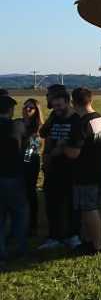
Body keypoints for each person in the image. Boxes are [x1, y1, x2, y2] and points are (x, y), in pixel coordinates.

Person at [56, 88, 101, 255]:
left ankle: (97, 246)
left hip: (86, 175)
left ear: (73, 103)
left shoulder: (81, 124)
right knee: (93, 208)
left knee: (89, 209)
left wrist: (62, 146)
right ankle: (89, 241)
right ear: (91, 100)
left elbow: (73, 153)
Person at [37, 92, 81, 250]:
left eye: (59, 105)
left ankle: (73, 235)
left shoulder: (77, 120)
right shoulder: (54, 117)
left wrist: (62, 148)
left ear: (68, 103)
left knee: (73, 205)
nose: (56, 109)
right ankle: (55, 237)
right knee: (52, 204)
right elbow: (44, 134)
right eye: (54, 106)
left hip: (72, 170)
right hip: (53, 170)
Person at [0, 95, 29, 262]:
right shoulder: (17, 126)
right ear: (10, 110)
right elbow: (29, 145)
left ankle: (1, 253)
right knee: (19, 216)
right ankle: (22, 249)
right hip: (14, 176)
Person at [20, 99, 43, 236]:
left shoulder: (37, 127)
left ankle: (32, 226)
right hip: (17, 163)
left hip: (30, 163)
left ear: (36, 111)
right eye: (25, 106)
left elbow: (31, 148)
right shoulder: (18, 123)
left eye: (31, 108)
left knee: (30, 193)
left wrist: (23, 163)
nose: (27, 109)